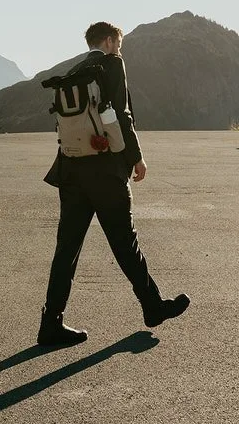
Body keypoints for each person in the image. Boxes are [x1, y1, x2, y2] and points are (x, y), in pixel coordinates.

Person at [37, 21, 189, 345]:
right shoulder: (111, 64)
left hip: (71, 170)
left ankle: (50, 323)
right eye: (118, 44)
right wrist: (137, 157)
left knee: (67, 249)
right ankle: (152, 307)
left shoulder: (74, 71)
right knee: (124, 242)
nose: (119, 50)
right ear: (108, 41)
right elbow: (122, 113)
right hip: (105, 171)